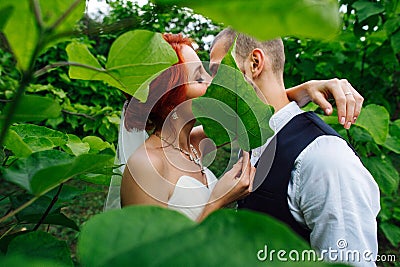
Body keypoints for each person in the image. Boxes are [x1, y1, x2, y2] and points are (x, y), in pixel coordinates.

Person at [114, 33, 365, 222]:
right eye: (200, 78)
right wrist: (217, 201)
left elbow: (263, 117)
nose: (214, 84)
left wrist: (303, 91)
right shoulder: (147, 164)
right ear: (169, 94)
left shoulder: (191, 143)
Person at [209, 28, 380, 266]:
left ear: (255, 63)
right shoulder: (252, 139)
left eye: (217, 71)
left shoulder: (324, 158)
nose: (209, 85)